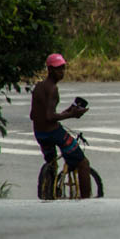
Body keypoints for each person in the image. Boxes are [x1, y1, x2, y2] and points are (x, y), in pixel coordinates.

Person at [30, 53, 92, 198]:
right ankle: (87, 200)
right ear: (50, 70)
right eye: (58, 69)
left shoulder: (38, 87)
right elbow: (50, 116)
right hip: (53, 133)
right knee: (83, 163)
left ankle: (49, 189)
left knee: (51, 162)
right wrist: (73, 114)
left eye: (63, 68)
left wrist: (66, 112)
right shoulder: (53, 89)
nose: (62, 72)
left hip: (39, 133)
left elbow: (34, 115)